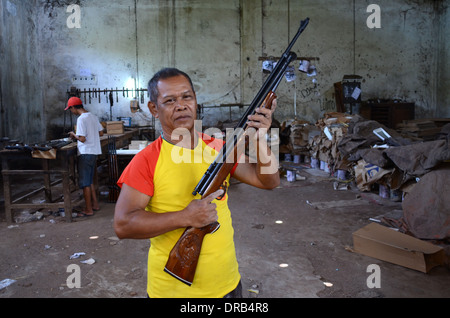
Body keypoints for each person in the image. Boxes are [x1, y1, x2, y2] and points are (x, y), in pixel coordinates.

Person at [114, 68, 280, 298]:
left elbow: (269, 180)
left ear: (195, 101)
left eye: (187, 97)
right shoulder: (147, 160)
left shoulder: (218, 148)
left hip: (228, 284)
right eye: (170, 100)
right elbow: (123, 225)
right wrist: (185, 217)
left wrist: (260, 136)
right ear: (154, 108)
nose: (181, 105)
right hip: (173, 293)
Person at [66, 97, 104, 217]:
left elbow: (82, 138)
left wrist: (74, 135)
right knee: (90, 179)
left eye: (70, 109)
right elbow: (101, 132)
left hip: (85, 153)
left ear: (73, 108)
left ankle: (88, 209)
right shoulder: (92, 116)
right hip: (94, 152)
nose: (71, 112)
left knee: (85, 182)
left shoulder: (81, 119)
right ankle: (95, 204)